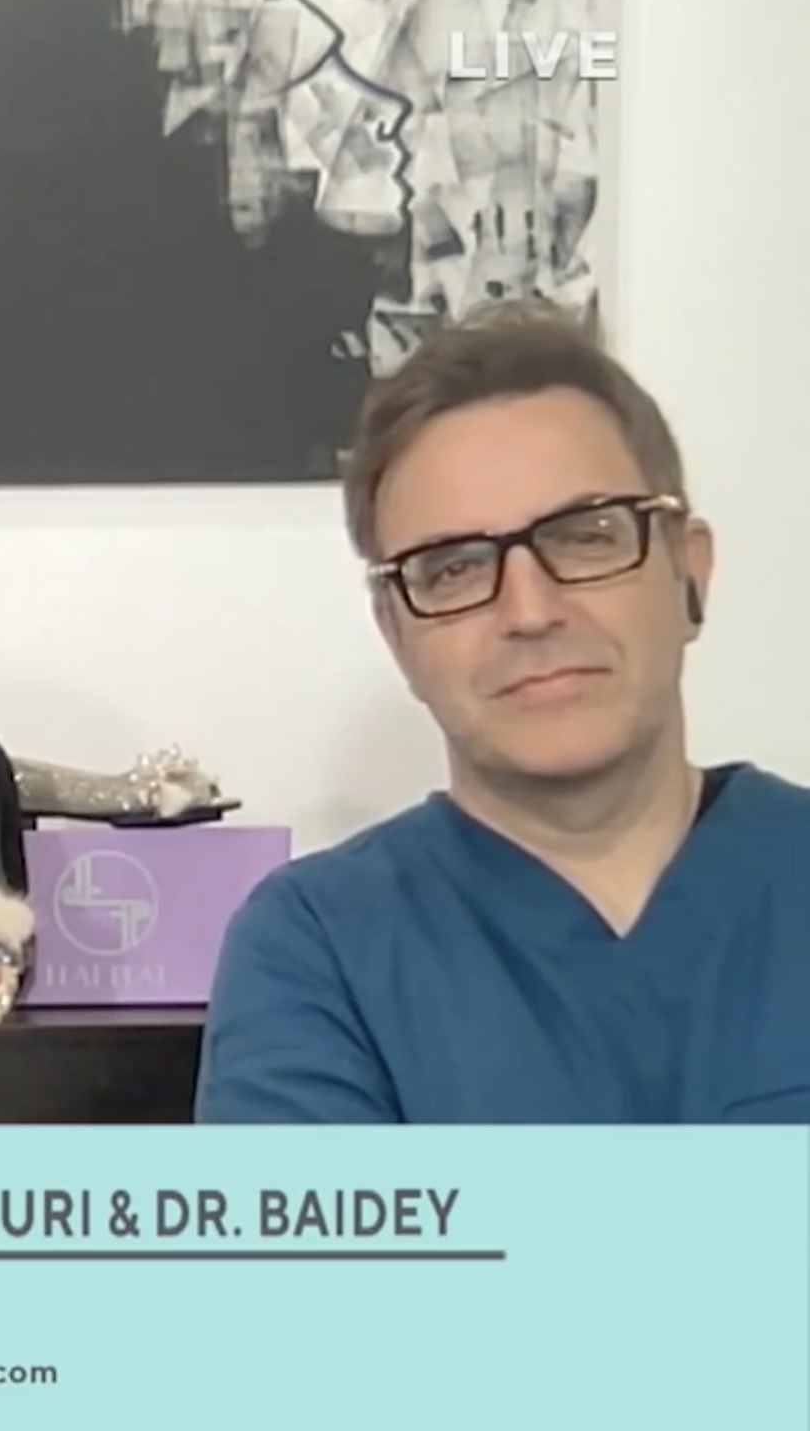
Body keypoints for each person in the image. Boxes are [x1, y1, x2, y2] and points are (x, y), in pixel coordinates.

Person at [196, 297, 810, 1124]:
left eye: (584, 536)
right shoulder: (316, 949)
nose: (529, 610)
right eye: (452, 568)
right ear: (396, 634)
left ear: (688, 574)